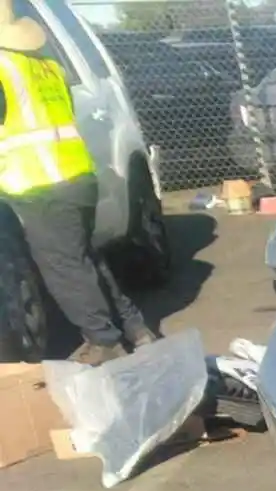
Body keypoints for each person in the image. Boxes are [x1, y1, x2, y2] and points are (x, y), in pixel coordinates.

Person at [0, 0, 154, 364]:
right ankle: (136, 329)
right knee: (85, 261)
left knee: (64, 269)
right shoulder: (46, 66)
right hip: (75, 176)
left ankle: (104, 342)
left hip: (40, 183)